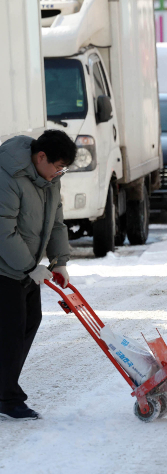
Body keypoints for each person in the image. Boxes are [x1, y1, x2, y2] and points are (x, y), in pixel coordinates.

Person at [0, 130, 76, 421]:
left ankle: (5, 389)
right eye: (58, 166)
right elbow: (3, 230)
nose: (59, 173)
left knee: (30, 322)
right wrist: (30, 267)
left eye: (63, 169)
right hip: (5, 268)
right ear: (40, 156)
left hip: (25, 267)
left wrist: (60, 262)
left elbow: (56, 222)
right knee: (10, 332)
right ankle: (7, 398)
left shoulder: (49, 180)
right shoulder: (9, 175)